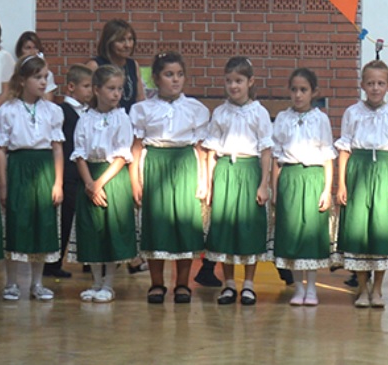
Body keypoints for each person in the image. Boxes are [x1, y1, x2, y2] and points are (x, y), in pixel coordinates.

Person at [130, 52, 210, 305]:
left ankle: (182, 283)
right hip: (155, 164)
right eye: (169, 75)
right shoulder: (142, 109)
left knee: (184, 224)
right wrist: (135, 180)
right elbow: (136, 147)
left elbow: (201, 148)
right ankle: (156, 283)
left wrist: (204, 180)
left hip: (185, 164)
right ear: (156, 78)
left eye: (179, 74)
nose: (175, 80)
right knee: (156, 225)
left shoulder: (195, 108)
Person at [336, 61, 388, 308]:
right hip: (358, 170)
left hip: (384, 171)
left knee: (381, 227)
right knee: (358, 228)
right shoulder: (352, 112)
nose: (375, 88)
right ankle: (362, 286)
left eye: (380, 83)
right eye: (370, 83)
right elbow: (344, 149)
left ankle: (377, 289)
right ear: (362, 85)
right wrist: (341, 184)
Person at [200, 57, 274, 306]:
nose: (233, 86)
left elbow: (266, 151)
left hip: (249, 170)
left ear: (250, 82)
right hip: (225, 172)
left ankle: (249, 284)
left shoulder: (259, 112)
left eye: (239, 81)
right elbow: (211, 151)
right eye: (229, 81)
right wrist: (209, 184)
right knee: (225, 228)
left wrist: (263, 184)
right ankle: (229, 284)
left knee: (249, 227)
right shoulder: (220, 112)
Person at [0, 55, 66, 302]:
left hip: (44, 168)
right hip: (19, 167)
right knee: (17, 223)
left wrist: (58, 182)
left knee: (43, 225)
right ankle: (11, 282)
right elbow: (0, 150)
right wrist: (3, 184)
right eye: (37, 77)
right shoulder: (8, 111)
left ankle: (37, 283)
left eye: (45, 77)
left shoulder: (53, 111)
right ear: (22, 80)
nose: (43, 82)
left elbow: (57, 148)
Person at [70, 65, 139, 304]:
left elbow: (122, 154)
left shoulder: (122, 118)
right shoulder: (85, 118)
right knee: (92, 231)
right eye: (111, 88)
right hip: (90, 177)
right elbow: (79, 153)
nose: (116, 94)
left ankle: (108, 283)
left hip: (112, 178)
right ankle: (96, 282)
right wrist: (89, 183)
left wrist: (99, 183)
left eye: (119, 89)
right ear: (97, 90)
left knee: (112, 231)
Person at [271, 68, 336, 306]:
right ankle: (298, 287)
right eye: (294, 90)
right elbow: (276, 157)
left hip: (313, 177)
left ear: (313, 92)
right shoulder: (282, 118)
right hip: (290, 177)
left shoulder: (321, 119)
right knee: (292, 234)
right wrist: (275, 190)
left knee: (311, 234)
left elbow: (328, 156)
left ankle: (312, 288)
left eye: (303, 90)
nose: (298, 95)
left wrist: (327, 190)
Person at [47, 65, 93, 278]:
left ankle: (88, 259)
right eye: (86, 86)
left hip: (84, 171)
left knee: (84, 217)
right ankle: (52, 263)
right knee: (64, 218)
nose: (90, 91)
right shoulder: (62, 112)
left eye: (92, 86)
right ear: (71, 87)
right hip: (67, 172)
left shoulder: (89, 112)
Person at [86, 20, 145, 111]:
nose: (127, 45)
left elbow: (140, 98)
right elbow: (86, 98)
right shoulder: (95, 65)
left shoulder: (133, 65)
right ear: (109, 42)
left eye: (130, 39)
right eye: (121, 40)